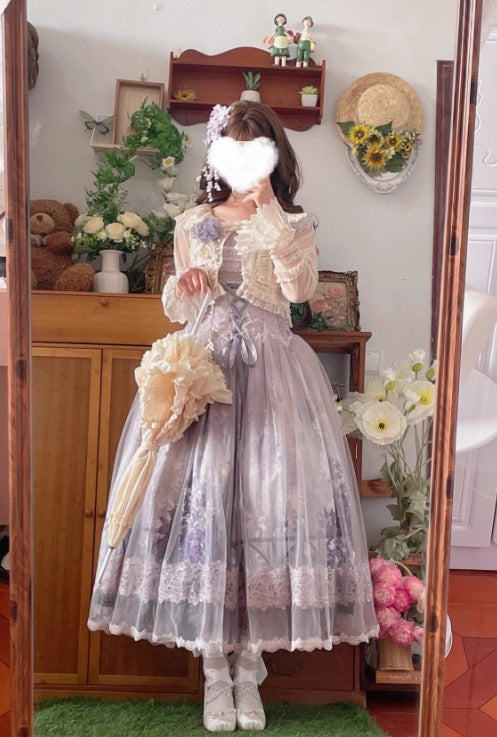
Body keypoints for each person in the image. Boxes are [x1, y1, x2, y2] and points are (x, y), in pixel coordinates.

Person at [87, 100, 379, 732]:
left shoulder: (294, 222)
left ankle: (251, 671)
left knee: (267, 508)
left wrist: (269, 210)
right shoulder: (194, 221)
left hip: (275, 377)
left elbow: (299, 293)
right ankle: (214, 673)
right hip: (206, 376)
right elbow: (177, 307)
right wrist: (186, 287)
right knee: (207, 511)